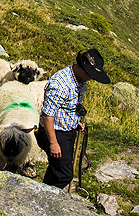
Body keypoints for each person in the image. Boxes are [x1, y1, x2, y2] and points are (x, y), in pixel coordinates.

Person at [37, 48, 111, 189]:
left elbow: (71, 106)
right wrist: (53, 143)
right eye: (91, 75)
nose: (91, 78)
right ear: (83, 69)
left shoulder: (80, 80)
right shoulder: (60, 85)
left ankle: (44, 190)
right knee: (64, 175)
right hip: (55, 133)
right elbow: (47, 115)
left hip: (68, 130)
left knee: (57, 169)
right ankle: (46, 198)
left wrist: (76, 121)